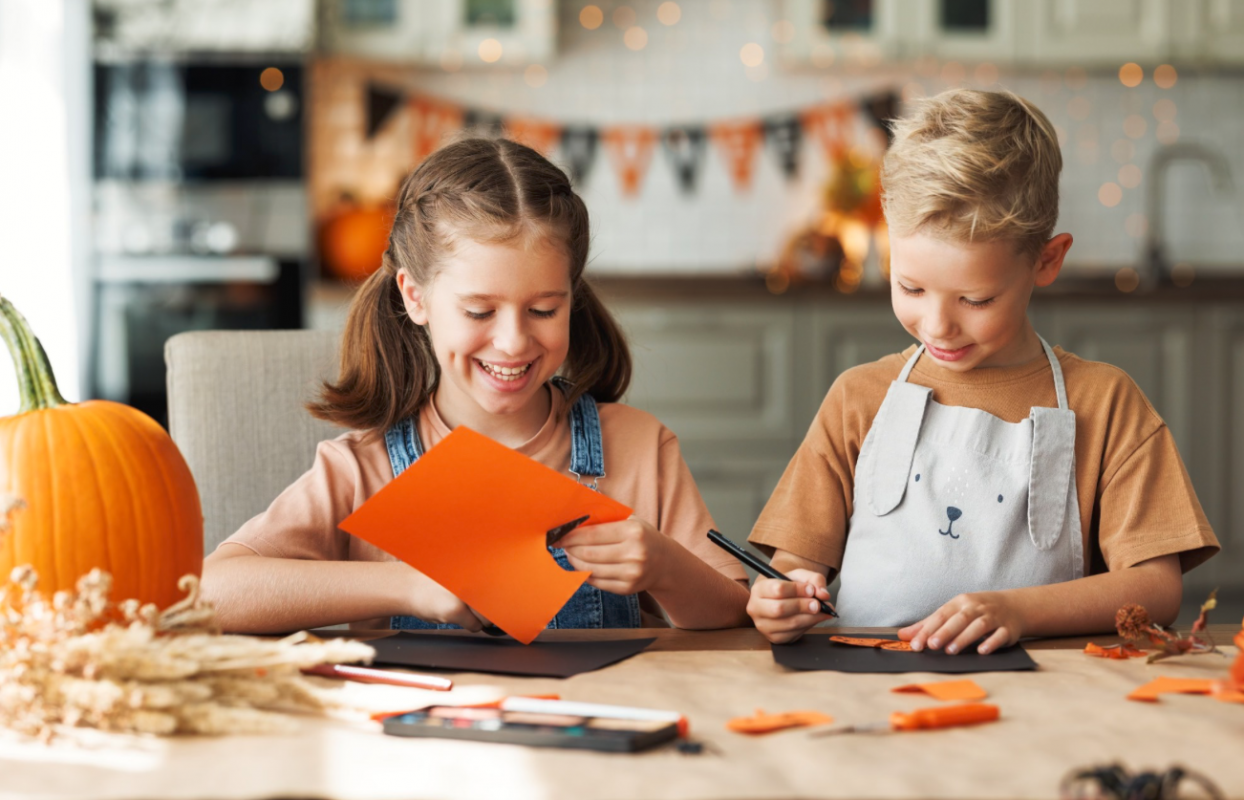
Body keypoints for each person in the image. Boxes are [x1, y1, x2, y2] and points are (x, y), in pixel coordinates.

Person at [202, 137, 749, 634]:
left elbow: (730, 615)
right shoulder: (361, 469)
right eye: (479, 310)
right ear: (415, 298)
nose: (512, 342)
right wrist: (410, 587)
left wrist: (665, 565)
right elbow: (210, 594)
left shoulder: (638, 446)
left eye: (542, 309)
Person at [746, 89, 1219, 654]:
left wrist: (1017, 609)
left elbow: (1157, 588)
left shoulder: (1107, 402)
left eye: (975, 299)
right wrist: (780, 598)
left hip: (1045, 697)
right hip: (867, 693)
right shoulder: (858, 398)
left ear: (1046, 260)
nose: (937, 325)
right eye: (911, 287)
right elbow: (794, 567)